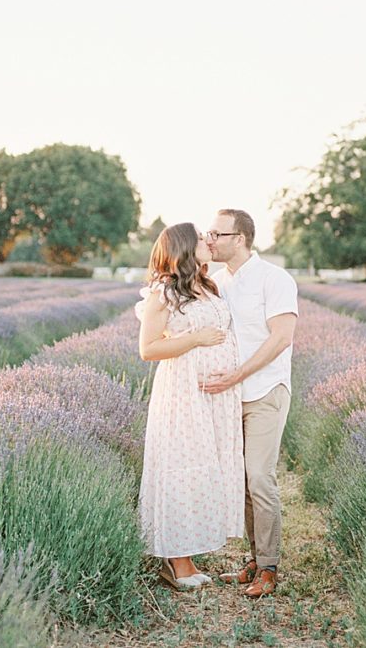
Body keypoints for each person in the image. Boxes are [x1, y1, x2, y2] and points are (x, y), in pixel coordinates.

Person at [135, 222, 244, 590]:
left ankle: (186, 555)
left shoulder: (206, 285)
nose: (207, 241)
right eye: (200, 238)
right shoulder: (163, 293)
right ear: (184, 247)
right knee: (182, 467)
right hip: (183, 394)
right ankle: (176, 561)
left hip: (215, 396)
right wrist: (196, 339)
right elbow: (148, 349)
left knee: (204, 467)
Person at [201, 209, 298, 598]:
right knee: (240, 480)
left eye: (215, 233)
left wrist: (238, 374)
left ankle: (270, 567)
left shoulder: (275, 279)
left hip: (264, 389)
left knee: (260, 477)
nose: (209, 239)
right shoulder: (217, 282)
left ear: (238, 238)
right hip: (230, 396)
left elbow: (281, 338)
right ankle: (255, 560)